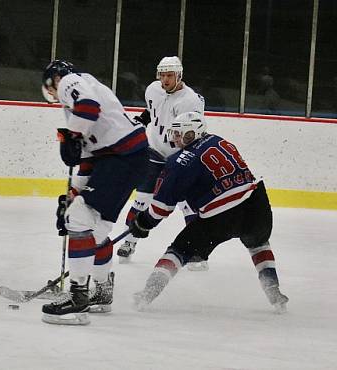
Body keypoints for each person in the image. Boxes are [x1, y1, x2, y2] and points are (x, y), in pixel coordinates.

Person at [129, 112, 289, 313]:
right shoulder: (220, 141)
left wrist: (143, 222)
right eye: (175, 133)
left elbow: (161, 207)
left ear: (195, 132)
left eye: (182, 134)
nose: (177, 139)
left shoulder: (178, 162)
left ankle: (147, 294)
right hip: (255, 204)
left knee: (178, 251)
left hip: (219, 216)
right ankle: (274, 292)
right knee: (258, 244)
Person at [40, 60, 149, 325]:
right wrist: (73, 192)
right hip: (124, 157)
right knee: (95, 229)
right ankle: (100, 291)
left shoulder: (70, 81)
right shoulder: (78, 104)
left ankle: (78, 297)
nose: (54, 93)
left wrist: (71, 135)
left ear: (52, 80)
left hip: (121, 157)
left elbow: (89, 106)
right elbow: (89, 158)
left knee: (78, 219)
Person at [118, 56, 206, 268]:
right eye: (162, 75)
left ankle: (197, 251)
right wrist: (140, 120)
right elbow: (152, 111)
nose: (165, 80)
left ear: (179, 75)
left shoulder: (191, 101)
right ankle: (130, 241)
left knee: (187, 204)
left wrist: (188, 157)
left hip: (180, 156)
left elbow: (196, 132)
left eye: (170, 75)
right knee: (142, 199)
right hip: (155, 151)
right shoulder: (152, 90)